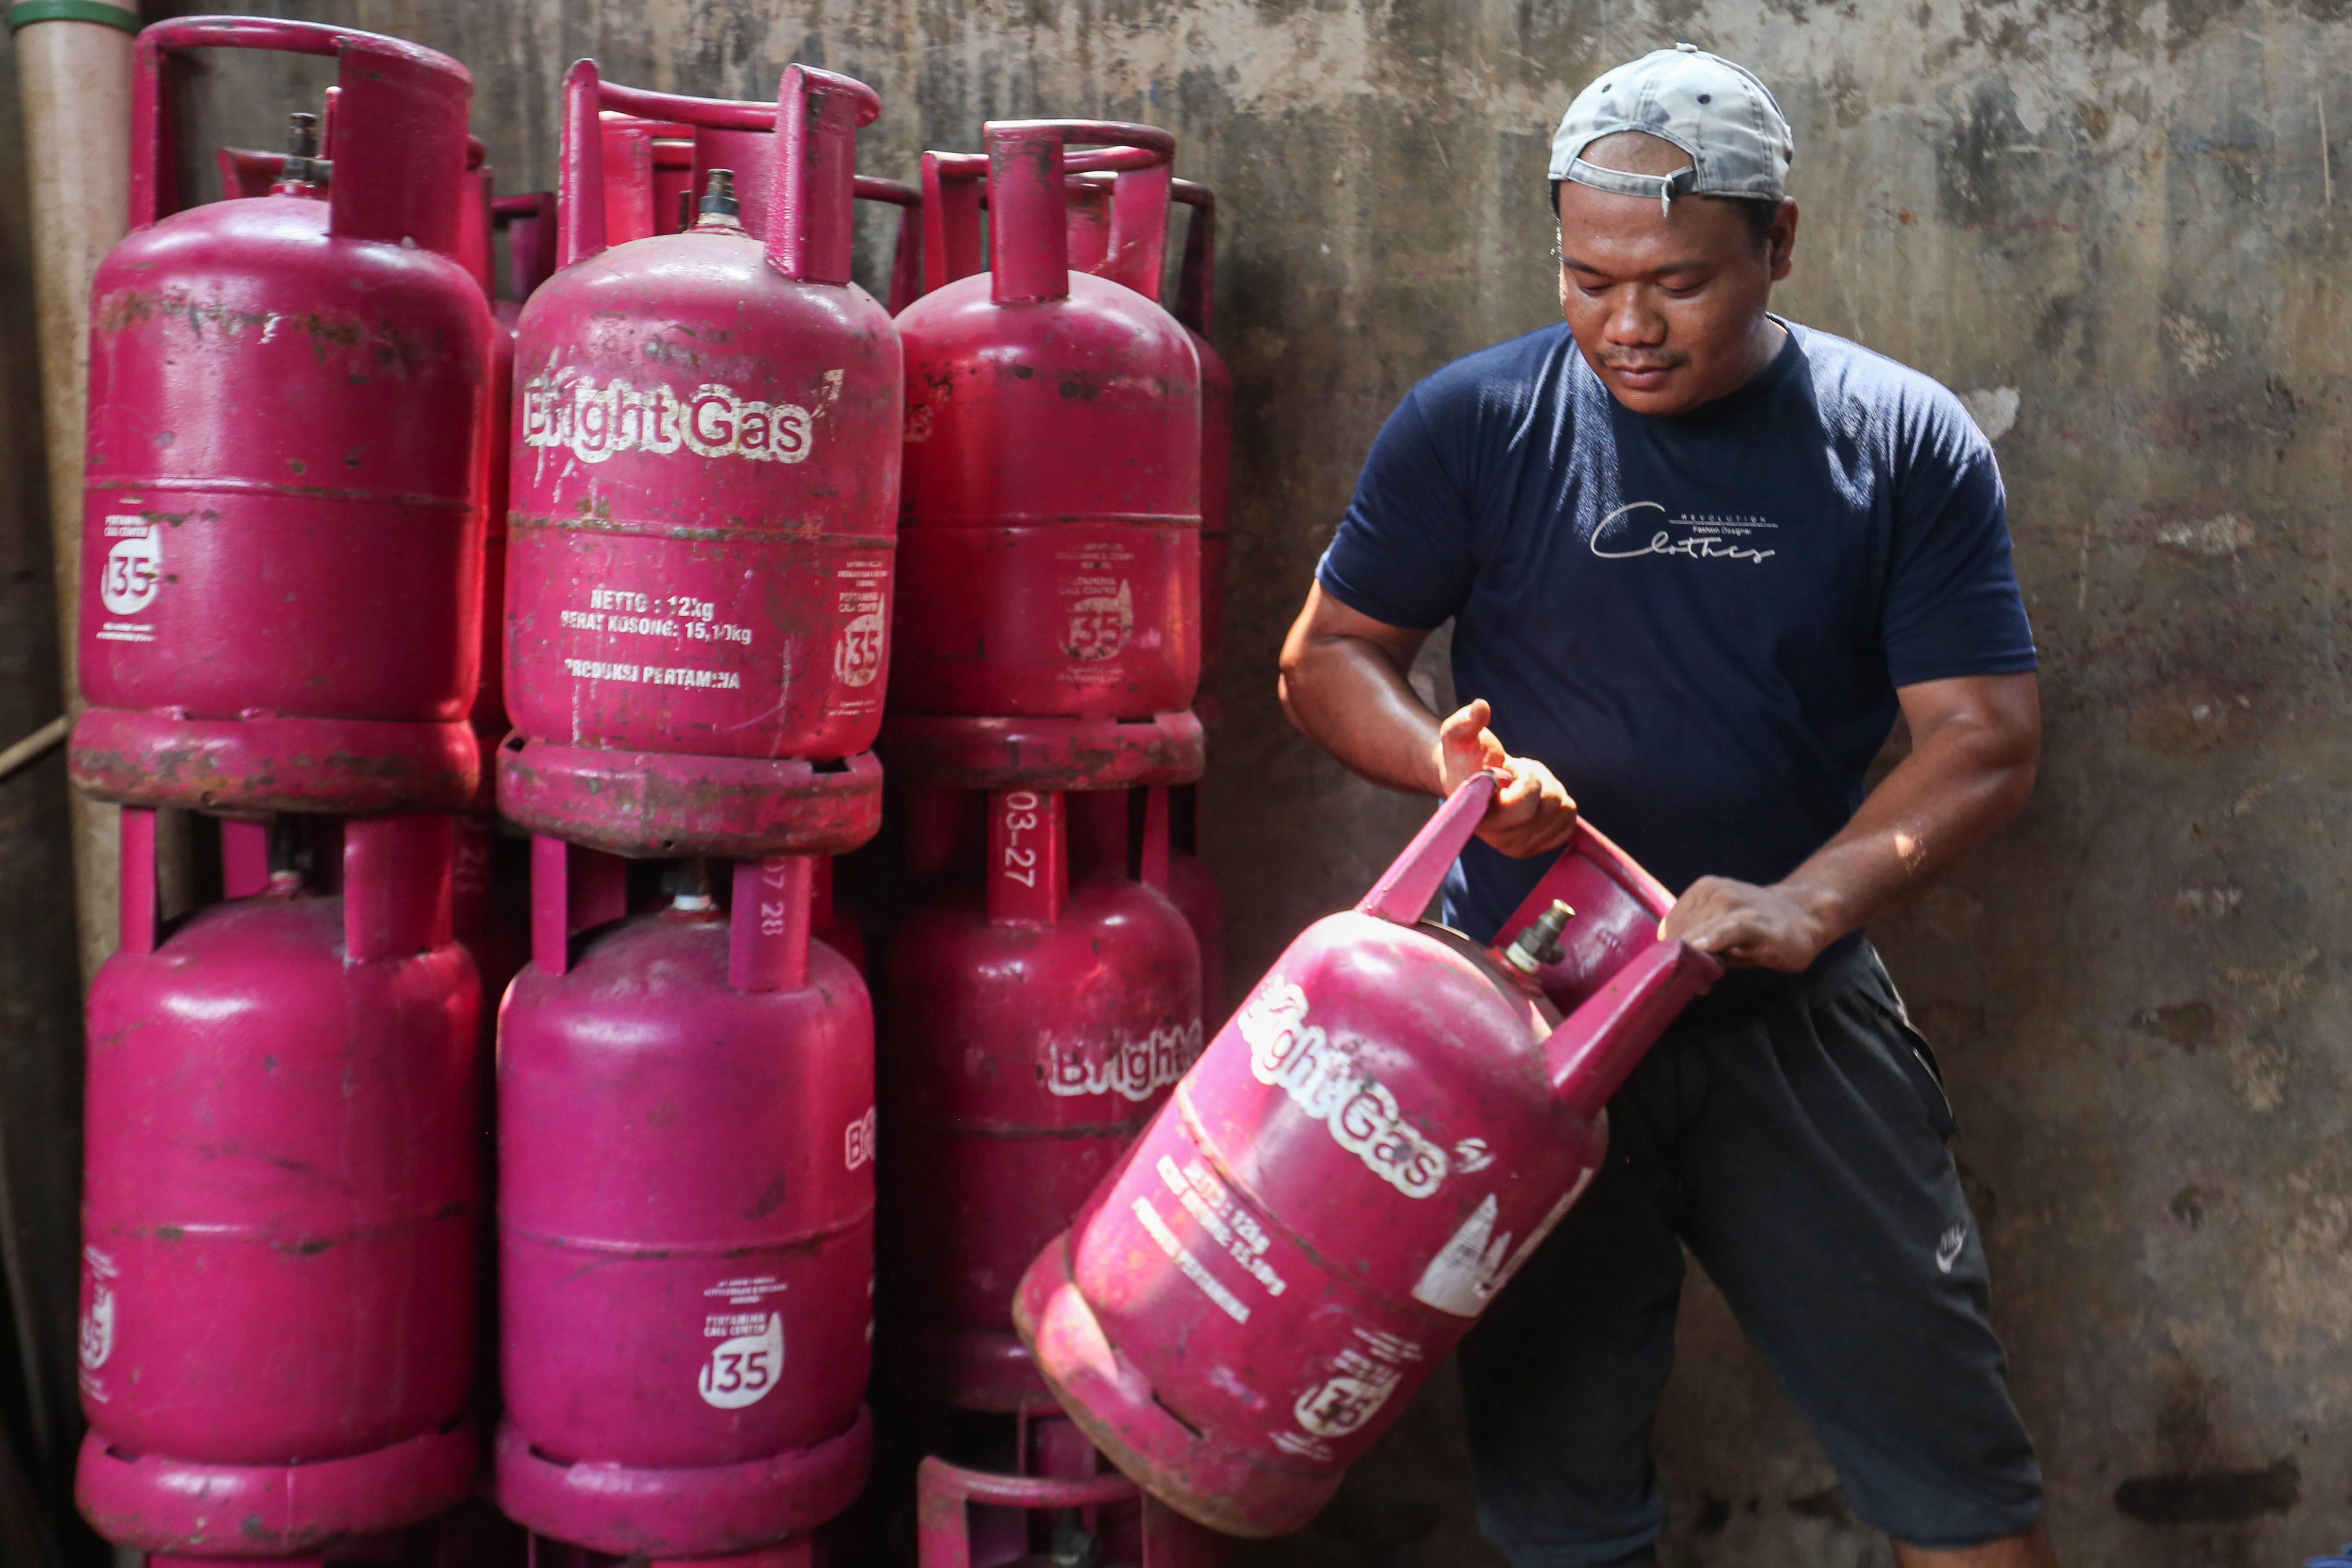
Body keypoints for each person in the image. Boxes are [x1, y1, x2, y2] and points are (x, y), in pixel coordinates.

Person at [1276, 43, 2053, 1568]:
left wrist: (1804, 903)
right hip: (1524, 1022)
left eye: (1681, 285)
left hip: (1792, 1014)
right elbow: (1329, 661)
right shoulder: (1474, 422)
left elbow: (1983, 738)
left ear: (1780, 244)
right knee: (1557, 1497)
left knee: (1960, 1482)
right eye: (1587, 278)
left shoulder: (1900, 440)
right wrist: (1455, 768)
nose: (1626, 326)